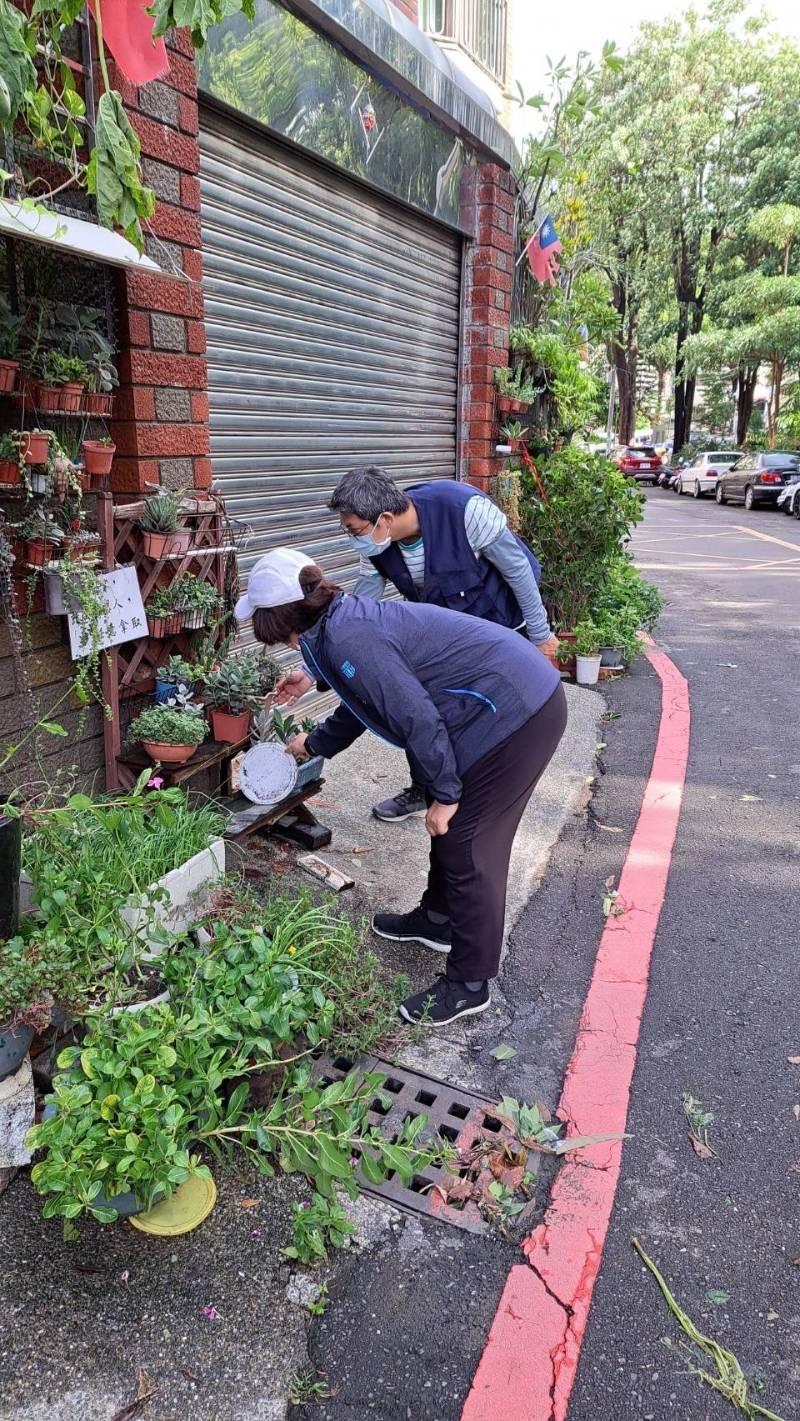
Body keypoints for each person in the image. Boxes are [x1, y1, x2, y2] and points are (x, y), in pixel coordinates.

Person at [238, 547, 567, 1027]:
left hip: (518, 711)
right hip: (491, 708)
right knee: (452, 836)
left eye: (270, 631)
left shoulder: (348, 638)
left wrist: (445, 795)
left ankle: (468, 984)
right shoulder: (337, 625)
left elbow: (416, 718)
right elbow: (369, 700)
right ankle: (437, 920)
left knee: (471, 845)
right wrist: (315, 743)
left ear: (282, 621)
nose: (278, 643)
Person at [274, 467, 559, 823]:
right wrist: (311, 668)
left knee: (483, 714)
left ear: (385, 518)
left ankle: (476, 790)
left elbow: (518, 570)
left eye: (354, 530)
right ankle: (425, 789)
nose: (353, 539)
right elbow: (352, 620)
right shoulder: (375, 545)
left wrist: (541, 636)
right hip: (449, 636)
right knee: (415, 701)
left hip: (499, 625)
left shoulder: (465, 510)